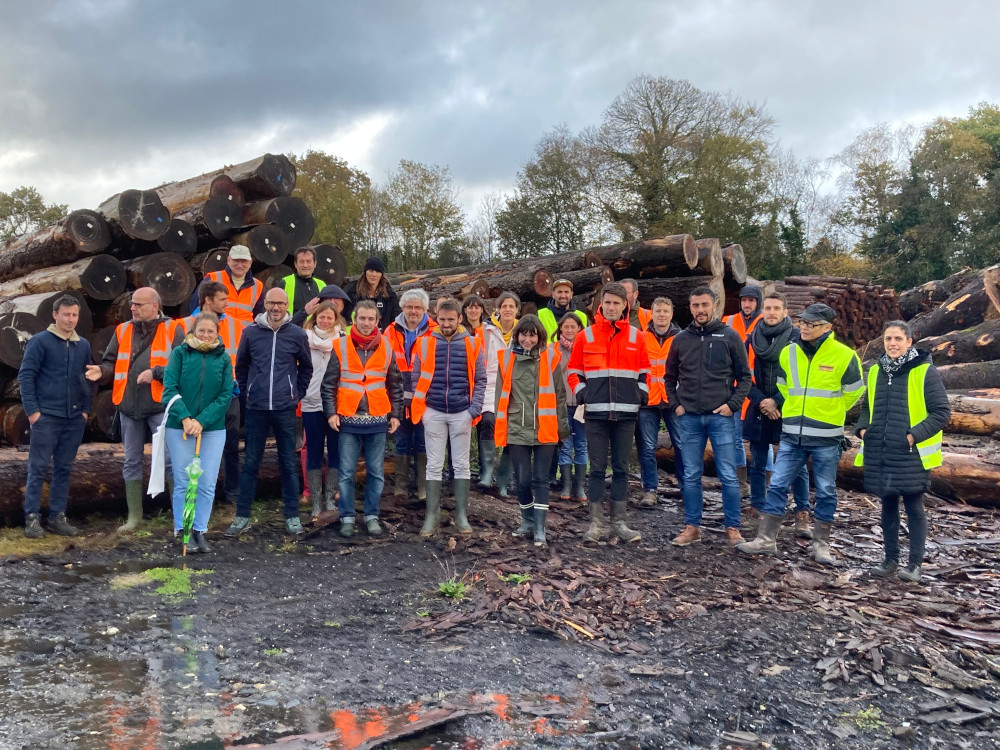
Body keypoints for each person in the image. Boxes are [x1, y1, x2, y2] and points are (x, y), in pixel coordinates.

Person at [737, 303, 864, 563]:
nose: (804, 327)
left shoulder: (845, 355)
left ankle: (821, 545)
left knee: (826, 489)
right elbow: (783, 386)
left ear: (827, 327)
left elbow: (854, 391)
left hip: (827, 436)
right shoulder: (789, 353)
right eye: (803, 322)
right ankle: (766, 539)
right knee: (778, 484)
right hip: (792, 434)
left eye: (810, 324)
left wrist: (831, 411)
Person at [855, 321, 950, 583]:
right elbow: (867, 407)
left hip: (911, 454)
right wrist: (863, 429)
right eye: (888, 339)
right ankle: (890, 560)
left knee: (913, 506)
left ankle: (915, 565)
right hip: (881, 451)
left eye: (898, 338)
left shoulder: (924, 372)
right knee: (887, 504)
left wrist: (912, 436)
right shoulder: (875, 371)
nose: (892, 344)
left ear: (909, 342)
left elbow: (942, 413)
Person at [86, 287, 183, 533]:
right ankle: (134, 518)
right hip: (129, 406)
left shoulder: (173, 329)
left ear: (155, 306)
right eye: (132, 304)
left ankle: (180, 519)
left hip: (161, 405)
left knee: (171, 461)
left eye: (139, 304)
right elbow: (110, 362)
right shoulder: (122, 330)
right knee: (131, 460)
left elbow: (184, 364)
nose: (133, 308)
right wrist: (102, 372)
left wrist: (157, 373)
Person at [664, 286, 752, 547]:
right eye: (695, 306)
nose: (700, 310)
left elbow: (744, 377)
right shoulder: (680, 339)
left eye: (704, 305)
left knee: (727, 474)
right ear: (689, 308)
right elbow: (669, 377)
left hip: (721, 417)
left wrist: (732, 405)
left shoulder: (729, 336)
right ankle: (692, 527)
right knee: (691, 474)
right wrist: (676, 405)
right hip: (689, 417)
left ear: (714, 305)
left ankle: (733, 528)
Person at [225, 287, 312, 539]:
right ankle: (241, 516)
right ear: (265, 304)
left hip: (285, 408)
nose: (276, 308)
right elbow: (241, 367)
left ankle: (292, 517)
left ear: (287, 306)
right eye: (272, 303)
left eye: (281, 304)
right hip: (256, 408)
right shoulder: (251, 332)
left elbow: (306, 367)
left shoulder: (296, 334)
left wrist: (297, 393)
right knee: (251, 463)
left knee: (287, 463)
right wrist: (247, 392)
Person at [568, 283, 650, 544]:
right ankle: (595, 524)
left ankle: (619, 524)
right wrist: (583, 395)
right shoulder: (586, 336)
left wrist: (640, 395)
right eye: (608, 302)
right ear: (600, 305)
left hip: (626, 414)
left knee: (622, 469)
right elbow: (573, 371)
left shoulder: (637, 336)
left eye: (617, 302)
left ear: (626, 305)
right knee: (596, 469)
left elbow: (645, 373)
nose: (612, 307)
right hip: (595, 414)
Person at [322, 300, 404, 537]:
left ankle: (371, 515)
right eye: (362, 318)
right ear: (354, 320)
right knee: (346, 471)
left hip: (378, 418)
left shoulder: (387, 347)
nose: (366, 323)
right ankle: (347, 516)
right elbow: (329, 384)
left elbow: (395, 384)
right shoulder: (340, 346)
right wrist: (331, 412)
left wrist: (396, 414)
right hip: (348, 417)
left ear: (377, 321)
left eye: (371, 319)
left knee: (376, 472)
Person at [410, 299, 486, 537]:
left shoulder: (473, 344)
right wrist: (421, 409)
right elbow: (415, 378)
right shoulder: (424, 344)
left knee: (461, 463)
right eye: (442, 319)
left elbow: (481, 379)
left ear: (459, 319)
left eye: (450, 320)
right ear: (436, 318)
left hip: (461, 411)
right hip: (433, 411)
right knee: (434, 464)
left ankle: (461, 515)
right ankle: (431, 515)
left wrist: (474, 410)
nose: (446, 324)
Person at [161, 312, 234, 553]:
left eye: (210, 331)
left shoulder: (223, 359)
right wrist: (185, 418)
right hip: (179, 427)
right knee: (183, 480)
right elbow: (169, 388)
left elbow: (226, 395)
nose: (205, 335)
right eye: (201, 331)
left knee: (206, 482)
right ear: (193, 331)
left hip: (212, 429)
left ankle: (200, 530)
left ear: (217, 333)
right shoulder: (180, 354)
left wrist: (201, 421)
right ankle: (182, 530)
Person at [20, 295, 92, 538]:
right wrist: (33, 412)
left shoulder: (82, 344)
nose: (70, 319)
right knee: (37, 467)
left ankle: (57, 517)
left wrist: (85, 411)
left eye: (74, 315)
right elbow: (26, 376)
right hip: (46, 416)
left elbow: (87, 378)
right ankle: (31, 518)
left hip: (73, 418)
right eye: (66, 314)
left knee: (63, 467)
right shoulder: (40, 342)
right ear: (55, 315)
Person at [495, 315, 569, 547]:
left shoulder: (551, 358)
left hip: (545, 428)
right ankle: (527, 520)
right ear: (517, 336)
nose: (527, 339)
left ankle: (540, 528)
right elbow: (500, 397)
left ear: (539, 336)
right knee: (523, 479)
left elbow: (560, 396)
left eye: (532, 334)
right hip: (517, 427)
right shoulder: (505, 358)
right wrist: (503, 429)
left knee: (541, 479)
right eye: (524, 334)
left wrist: (563, 430)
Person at [743, 293, 811, 535]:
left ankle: (802, 513)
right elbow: (741, 375)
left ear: (785, 313)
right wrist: (763, 402)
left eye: (776, 309)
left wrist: (778, 402)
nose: (771, 312)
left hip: (789, 408)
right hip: (759, 408)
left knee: (797, 465)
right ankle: (756, 509)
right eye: (768, 308)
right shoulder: (752, 339)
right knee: (758, 463)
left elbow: (802, 376)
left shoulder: (797, 340)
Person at [177, 280, 245, 505]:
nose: (227, 303)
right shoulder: (183, 324)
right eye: (223, 299)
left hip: (229, 395)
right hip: (194, 398)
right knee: (194, 448)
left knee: (230, 446)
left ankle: (231, 493)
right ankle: (196, 494)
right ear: (207, 300)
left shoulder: (238, 325)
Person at [385, 289, 437, 500]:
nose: (413, 311)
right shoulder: (390, 330)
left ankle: (423, 487)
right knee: (402, 441)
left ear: (425, 309)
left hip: (425, 395)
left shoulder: (435, 330)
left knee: (424, 441)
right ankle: (401, 486)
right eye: (409, 307)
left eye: (417, 307)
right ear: (402, 307)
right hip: (398, 394)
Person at [300, 300, 346, 520]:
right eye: (322, 317)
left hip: (337, 403)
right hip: (311, 402)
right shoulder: (303, 339)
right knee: (315, 451)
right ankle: (316, 500)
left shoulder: (343, 341)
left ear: (336, 319)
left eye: (330, 317)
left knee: (336, 450)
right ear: (315, 318)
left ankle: (330, 498)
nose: (325, 320)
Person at [637, 297, 682, 508]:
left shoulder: (681, 338)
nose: (662, 314)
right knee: (647, 448)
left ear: (671, 314)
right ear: (651, 314)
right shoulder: (641, 337)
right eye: (658, 311)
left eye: (665, 311)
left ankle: (686, 488)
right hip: (648, 400)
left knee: (682, 446)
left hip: (674, 399)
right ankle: (650, 490)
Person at [461, 295, 505, 489]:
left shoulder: (489, 331)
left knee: (487, 422)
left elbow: (496, 360)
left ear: (482, 310)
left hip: (486, 384)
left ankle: (486, 471)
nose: (473, 311)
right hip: (462, 384)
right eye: (469, 307)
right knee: (459, 427)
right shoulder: (459, 330)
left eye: (477, 307)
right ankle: (457, 472)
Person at [724, 285, 763, 496]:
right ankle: (741, 483)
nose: (747, 304)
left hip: (757, 390)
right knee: (735, 436)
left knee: (762, 438)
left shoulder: (766, 322)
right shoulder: (728, 321)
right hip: (735, 389)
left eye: (751, 300)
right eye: (744, 300)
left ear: (758, 302)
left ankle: (766, 480)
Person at [554, 313, 588, 502]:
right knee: (565, 446)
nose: (569, 330)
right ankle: (566, 484)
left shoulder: (587, 348)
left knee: (582, 445)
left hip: (583, 404)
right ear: (561, 329)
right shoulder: (554, 349)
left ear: (579, 329)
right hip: (563, 404)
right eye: (565, 327)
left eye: (572, 327)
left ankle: (580, 486)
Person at [490, 291, 520, 496]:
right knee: (492, 428)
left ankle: (504, 481)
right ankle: (488, 475)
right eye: (504, 306)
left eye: (511, 306)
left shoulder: (524, 330)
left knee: (512, 434)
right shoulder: (488, 330)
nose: (508, 309)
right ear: (498, 309)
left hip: (517, 389)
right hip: (492, 387)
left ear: (517, 309)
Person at [194, 245, 265, 324]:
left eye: (244, 261)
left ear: (250, 263)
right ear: (228, 260)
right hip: (218, 334)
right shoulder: (212, 279)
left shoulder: (258, 286)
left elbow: (259, 316)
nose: (240, 265)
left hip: (245, 335)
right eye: (236, 260)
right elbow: (196, 306)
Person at [350, 256, 401, 330]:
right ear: (365, 272)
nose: (374, 274)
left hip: (383, 338)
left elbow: (396, 319)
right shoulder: (353, 292)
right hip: (358, 337)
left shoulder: (390, 295)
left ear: (381, 274)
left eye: (377, 271)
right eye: (371, 270)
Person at [276, 246, 327, 317]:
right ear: (295, 264)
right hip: (291, 327)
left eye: (308, 261)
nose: (305, 265)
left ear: (315, 264)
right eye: (301, 261)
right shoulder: (285, 283)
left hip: (315, 327)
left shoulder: (322, 285)